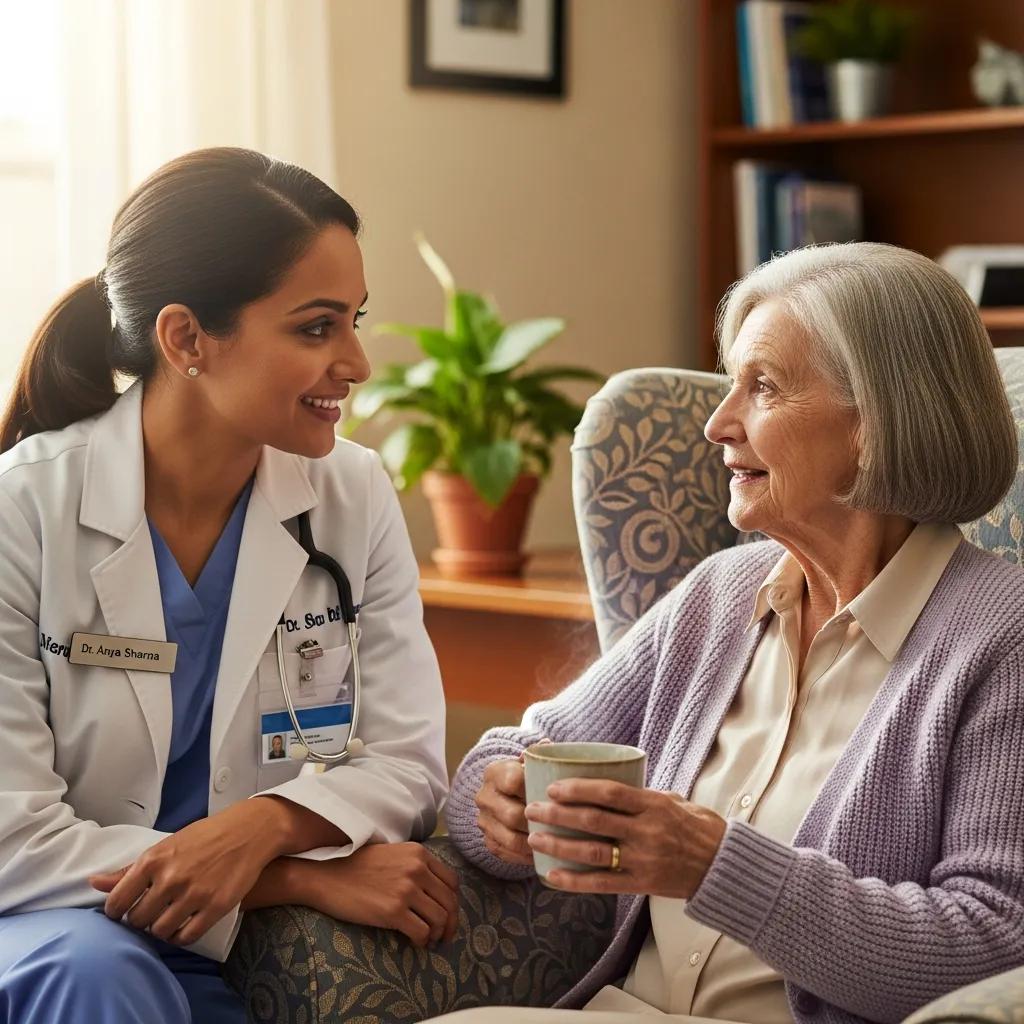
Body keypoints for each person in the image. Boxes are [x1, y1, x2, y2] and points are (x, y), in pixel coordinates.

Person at [436, 243, 1024, 1024]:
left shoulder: (1004, 638)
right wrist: (499, 798)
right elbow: (527, 747)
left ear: (875, 420)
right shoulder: (719, 596)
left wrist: (715, 864)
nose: (718, 424)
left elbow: (992, 944)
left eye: (764, 387)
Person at [0, 147, 458, 1024]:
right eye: (317, 329)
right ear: (185, 340)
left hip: (218, 943)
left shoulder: (352, 494)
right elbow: (12, 839)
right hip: (49, 927)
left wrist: (267, 827)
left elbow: (408, 761)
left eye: (356, 321)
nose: (358, 362)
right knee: (101, 979)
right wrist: (281, 876)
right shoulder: (24, 511)